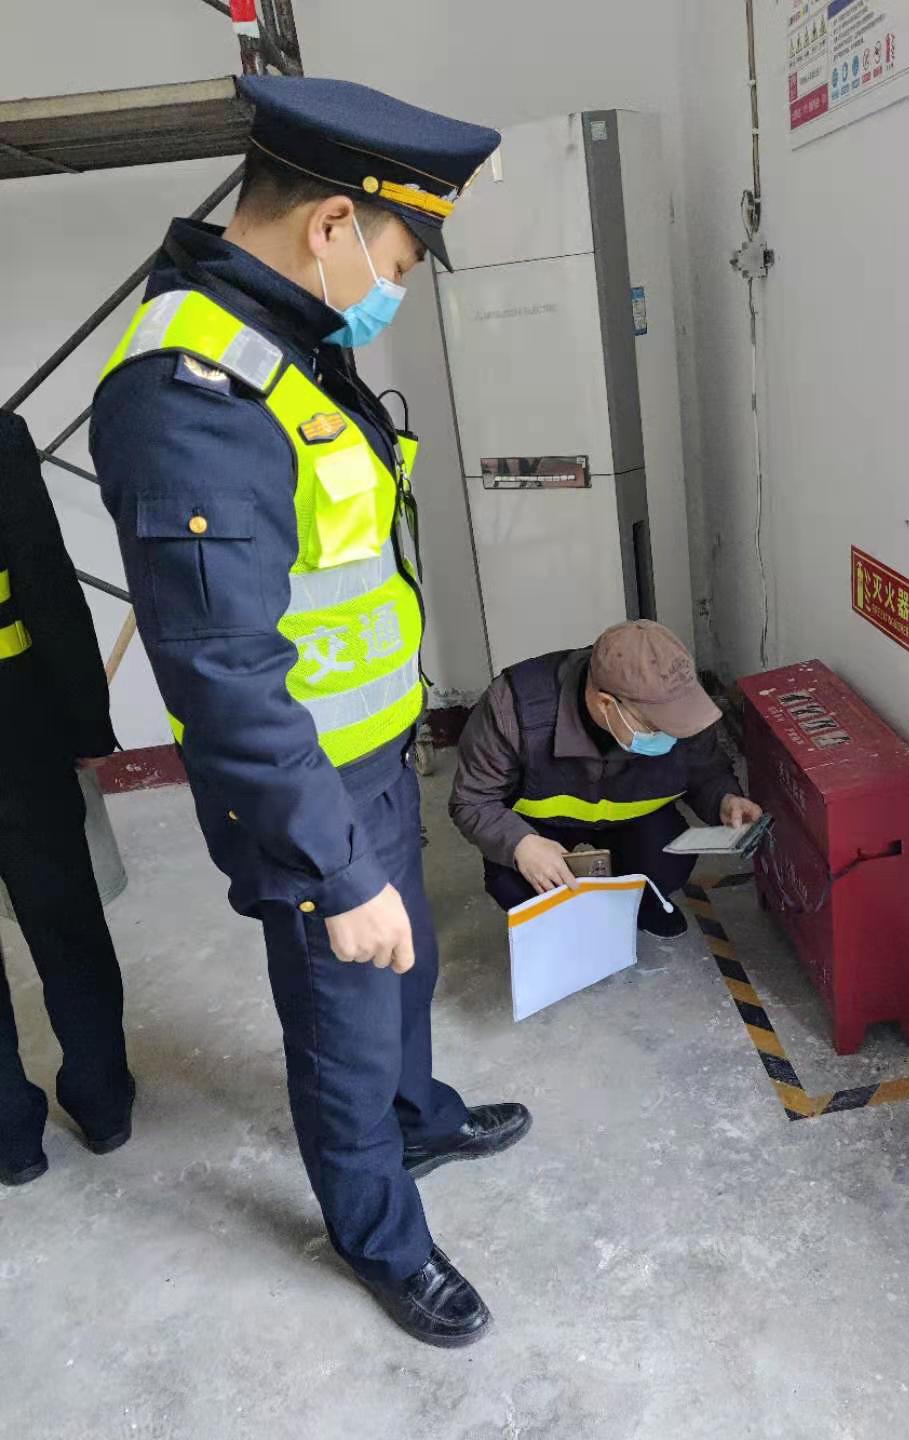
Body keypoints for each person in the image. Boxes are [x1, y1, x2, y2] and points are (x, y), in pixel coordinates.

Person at [90, 76, 527, 1349]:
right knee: (342, 1021)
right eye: (398, 260)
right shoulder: (190, 390)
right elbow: (224, 671)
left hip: (371, 753)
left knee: (408, 969)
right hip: (305, 791)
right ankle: (381, 1234)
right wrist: (334, 872)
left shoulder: (284, 337)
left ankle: (418, 1119)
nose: (394, 289)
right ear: (332, 223)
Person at [0, 412, 132, 1187]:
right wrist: (86, 722)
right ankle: (103, 1101)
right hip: (17, 734)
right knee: (64, 920)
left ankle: (10, 1137)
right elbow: (46, 586)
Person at [450, 620, 763, 934]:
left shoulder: (679, 701)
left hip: (634, 821)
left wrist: (724, 798)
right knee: (516, 883)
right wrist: (521, 844)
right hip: (542, 828)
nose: (671, 731)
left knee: (665, 865)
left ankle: (640, 907)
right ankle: (559, 921)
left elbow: (705, 769)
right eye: (655, 725)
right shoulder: (513, 710)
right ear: (605, 704)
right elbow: (472, 800)